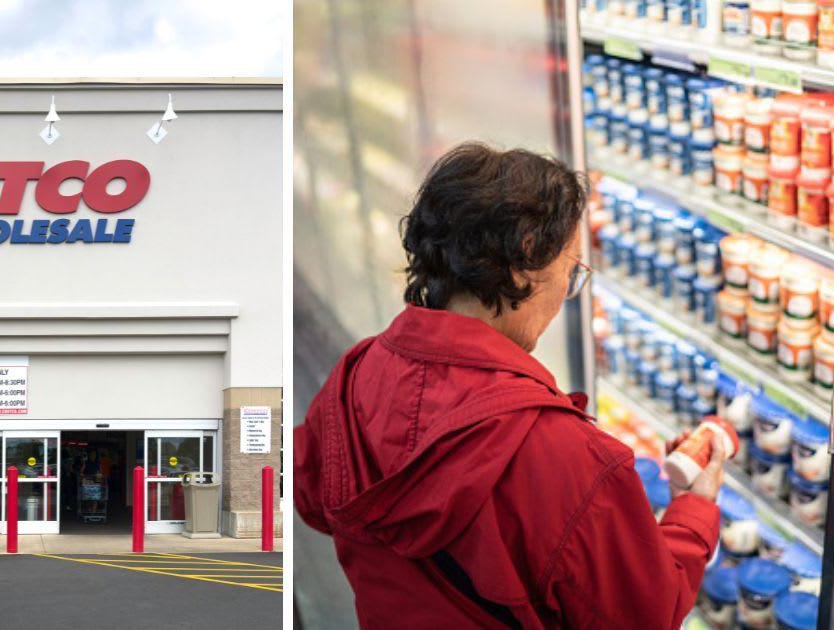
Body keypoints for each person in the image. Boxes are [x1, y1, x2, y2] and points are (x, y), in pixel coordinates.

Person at [295, 143, 725, 628]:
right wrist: (695, 508)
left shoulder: (354, 377)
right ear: (525, 260)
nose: (569, 291)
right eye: (572, 271)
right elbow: (645, 614)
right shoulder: (569, 459)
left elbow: (312, 501)